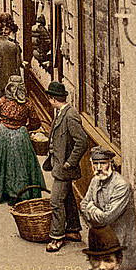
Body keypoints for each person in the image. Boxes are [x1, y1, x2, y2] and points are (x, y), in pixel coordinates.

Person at [80, 147, 136, 270]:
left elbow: (106, 218)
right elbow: (82, 204)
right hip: (102, 243)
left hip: (120, 244)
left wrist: (90, 208)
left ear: (111, 163)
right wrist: (91, 210)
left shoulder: (121, 186)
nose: (99, 167)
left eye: (103, 163)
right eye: (95, 164)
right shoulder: (95, 181)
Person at [43, 81, 88, 253]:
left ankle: (57, 237)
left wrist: (70, 162)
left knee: (55, 201)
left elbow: (82, 141)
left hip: (64, 168)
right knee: (68, 197)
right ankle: (74, 230)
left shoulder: (70, 116)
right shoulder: (62, 112)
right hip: (59, 165)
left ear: (53, 99)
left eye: (49, 98)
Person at [0, 76, 46, 205]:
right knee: (21, 164)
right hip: (21, 135)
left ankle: (5, 193)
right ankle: (21, 194)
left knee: (4, 162)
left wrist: (2, 122)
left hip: (3, 134)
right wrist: (25, 127)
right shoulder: (28, 103)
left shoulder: (2, 101)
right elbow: (36, 122)